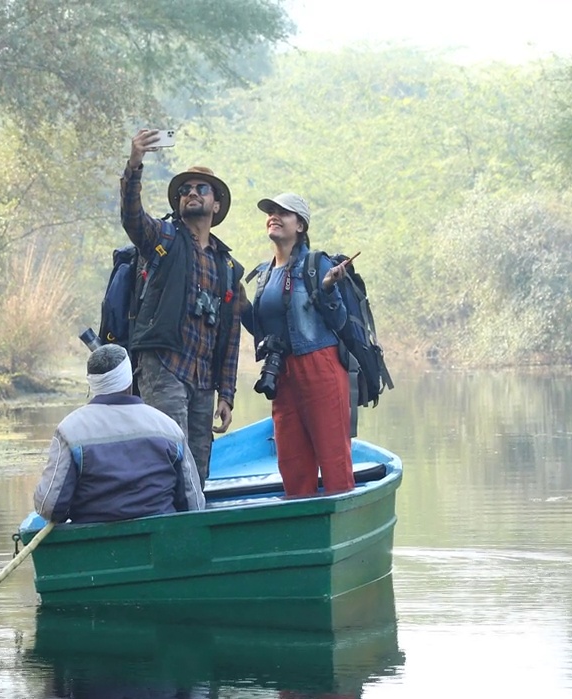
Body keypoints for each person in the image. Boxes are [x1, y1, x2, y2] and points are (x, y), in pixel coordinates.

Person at [120, 130, 245, 484]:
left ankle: (192, 528)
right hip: (164, 366)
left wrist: (228, 395)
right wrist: (134, 164)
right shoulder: (163, 238)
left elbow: (230, 338)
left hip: (204, 380)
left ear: (216, 204)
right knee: (168, 458)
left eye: (201, 189)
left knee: (198, 469)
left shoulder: (228, 267)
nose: (191, 193)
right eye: (185, 190)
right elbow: (132, 217)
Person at [239, 193, 355, 498]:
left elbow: (340, 319)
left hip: (320, 364)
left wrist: (329, 290)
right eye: (271, 212)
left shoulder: (318, 265)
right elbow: (261, 329)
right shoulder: (263, 274)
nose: (274, 216)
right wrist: (241, 307)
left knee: (333, 458)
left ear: (300, 225)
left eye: (283, 213)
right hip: (281, 374)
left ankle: (341, 531)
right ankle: (303, 531)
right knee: (292, 463)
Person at [33, 344, 205, 524]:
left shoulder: (69, 431)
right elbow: (193, 505)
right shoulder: (169, 428)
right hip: (161, 540)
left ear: (92, 383)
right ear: (129, 380)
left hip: (94, 542)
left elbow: (49, 506)